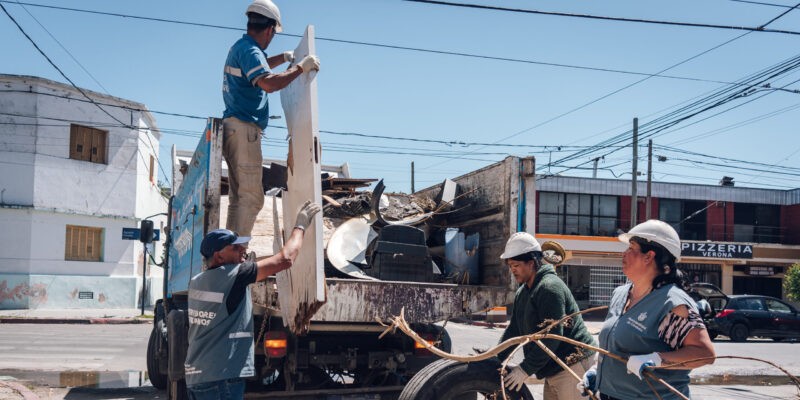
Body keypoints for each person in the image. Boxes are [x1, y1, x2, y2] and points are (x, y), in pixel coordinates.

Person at [184, 201, 321, 400]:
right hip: (222, 379)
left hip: (198, 377)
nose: (243, 251)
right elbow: (286, 259)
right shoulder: (234, 275)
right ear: (219, 256)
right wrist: (300, 226)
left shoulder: (197, 281)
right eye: (235, 248)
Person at [579, 220, 715, 399]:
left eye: (631, 248)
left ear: (649, 256)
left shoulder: (671, 303)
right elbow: (614, 345)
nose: (624, 253)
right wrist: (598, 370)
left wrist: (657, 359)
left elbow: (704, 354)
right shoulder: (620, 294)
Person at [222, 0, 321, 237]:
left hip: (233, 129)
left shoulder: (241, 47)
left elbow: (260, 65)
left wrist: (284, 57)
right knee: (253, 199)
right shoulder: (251, 51)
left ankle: (230, 246)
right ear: (269, 29)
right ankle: (237, 252)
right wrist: (300, 68)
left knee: (239, 198)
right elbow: (268, 83)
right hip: (244, 129)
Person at [497, 232, 597, 400]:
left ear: (531, 263)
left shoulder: (549, 287)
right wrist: (496, 358)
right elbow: (514, 330)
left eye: (516, 265)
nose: (512, 269)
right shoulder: (524, 291)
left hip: (572, 365)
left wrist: (524, 369)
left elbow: (552, 337)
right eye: (510, 265)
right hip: (552, 368)